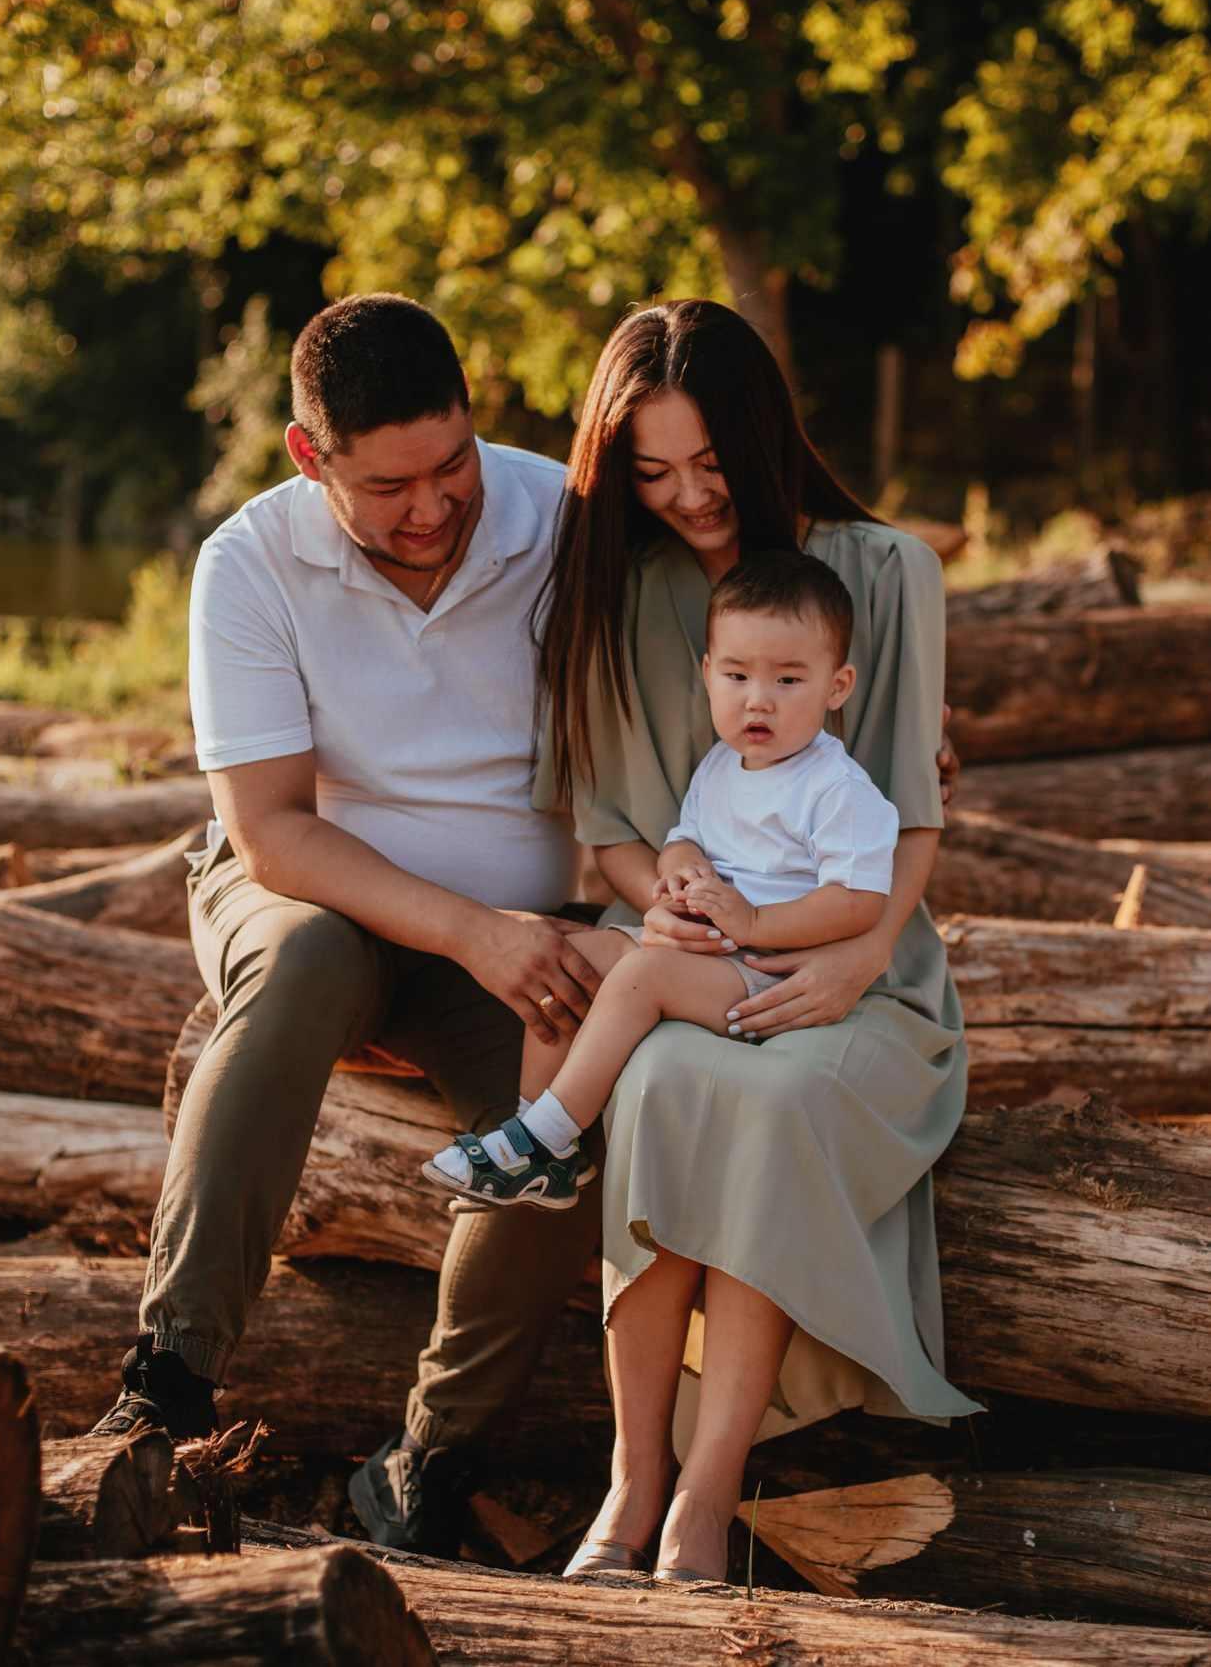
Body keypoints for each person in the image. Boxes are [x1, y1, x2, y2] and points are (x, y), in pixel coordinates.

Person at [89, 292, 608, 1557]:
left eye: (452, 465)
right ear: (307, 455)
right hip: (306, 891)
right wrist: (473, 929)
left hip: (514, 935)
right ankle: (165, 1385)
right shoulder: (248, 562)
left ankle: (426, 1459)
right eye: (389, 486)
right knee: (311, 953)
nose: (431, 509)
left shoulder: (563, 519)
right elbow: (274, 828)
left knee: (578, 1115)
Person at [531, 297, 979, 1586]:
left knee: (777, 1105)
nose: (684, 496)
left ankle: (706, 1494)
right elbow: (616, 831)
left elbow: (908, 813)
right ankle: (632, 1475)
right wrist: (664, 883)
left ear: (763, 437)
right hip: (674, 958)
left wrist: (850, 958)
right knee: (667, 1079)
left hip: (865, 960)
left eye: (709, 464)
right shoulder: (615, 593)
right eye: (650, 470)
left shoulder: (889, 571)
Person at [421, 551, 900, 1212]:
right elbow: (684, 840)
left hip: (767, 971)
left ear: (836, 685)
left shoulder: (835, 788)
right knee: (565, 959)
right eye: (736, 674)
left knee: (640, 978)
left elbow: (858, 902)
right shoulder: (721, 764)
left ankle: (541, 1137)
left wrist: (754, 924)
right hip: (705, 948)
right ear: (707, 673)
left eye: (789, 679)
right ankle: (541, 1145)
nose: (757, 698)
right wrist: (677, 876)